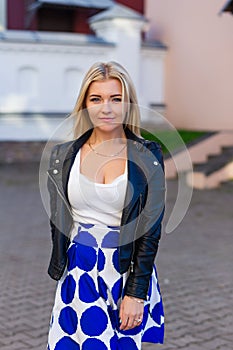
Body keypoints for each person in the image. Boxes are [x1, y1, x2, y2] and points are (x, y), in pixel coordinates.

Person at [46, 61, 165, 350]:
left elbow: (150, 231)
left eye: (116, 98)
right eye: (96, 99)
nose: (106, 108)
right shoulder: (63, 156)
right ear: (85, 104)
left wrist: (136, 293)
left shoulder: (147, 157)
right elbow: (59, 219)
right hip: (78, 270)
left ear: (128, 104)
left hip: (123, 268)